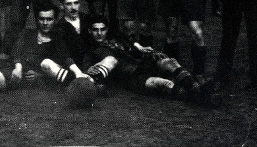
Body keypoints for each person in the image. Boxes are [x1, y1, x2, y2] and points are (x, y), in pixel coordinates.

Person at [85, 15, 219, 106]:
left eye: (102, 29)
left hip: (142, 63)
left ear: (107, 30)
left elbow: (133, 45)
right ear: (89, 31)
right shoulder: (90, 50)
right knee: (164, 83)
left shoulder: (115, 39)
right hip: (131, 77)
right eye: (95, 30)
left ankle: (196, 88)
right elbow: (90, 70)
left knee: (169, 61)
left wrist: (146, 51)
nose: (99, 33)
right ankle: (199, 97)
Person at [55, 0, 119, 85]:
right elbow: (64, 53)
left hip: (93, 60)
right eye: (69, 4)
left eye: (76, 3)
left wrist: (91, 65)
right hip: (73, 65)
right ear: (61, 6)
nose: (73, 7)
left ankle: (91, 82)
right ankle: (91, 83)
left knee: (111, 59)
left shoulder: (87, 18)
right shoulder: (59, 27)